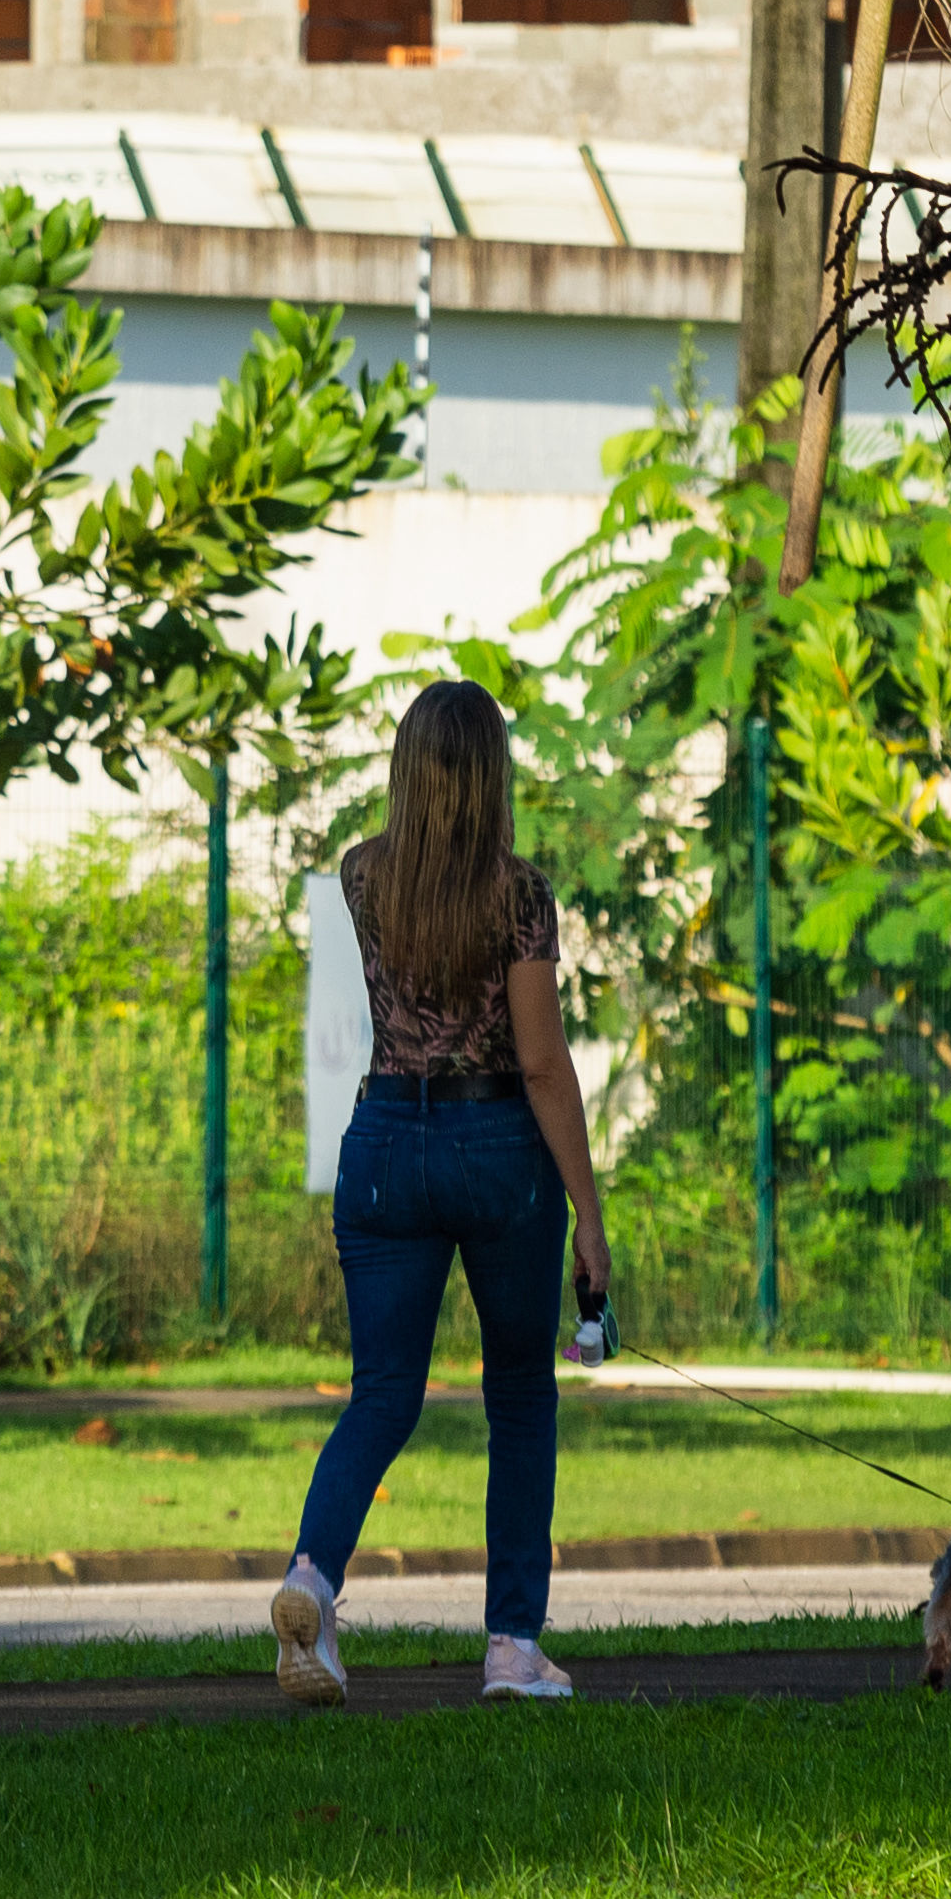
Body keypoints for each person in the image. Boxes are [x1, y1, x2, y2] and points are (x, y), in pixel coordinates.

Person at [273, 678, 611, 1708]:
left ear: (408, 772)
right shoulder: (518, 895)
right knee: (517, 1394)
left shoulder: (362, 875)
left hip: (383, 1139)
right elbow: (543, 1064)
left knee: (382, 1393)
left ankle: (311, 1584)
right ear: (493, 775)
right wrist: (589, 1225)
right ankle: (512, 1646)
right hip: (493, 1143)